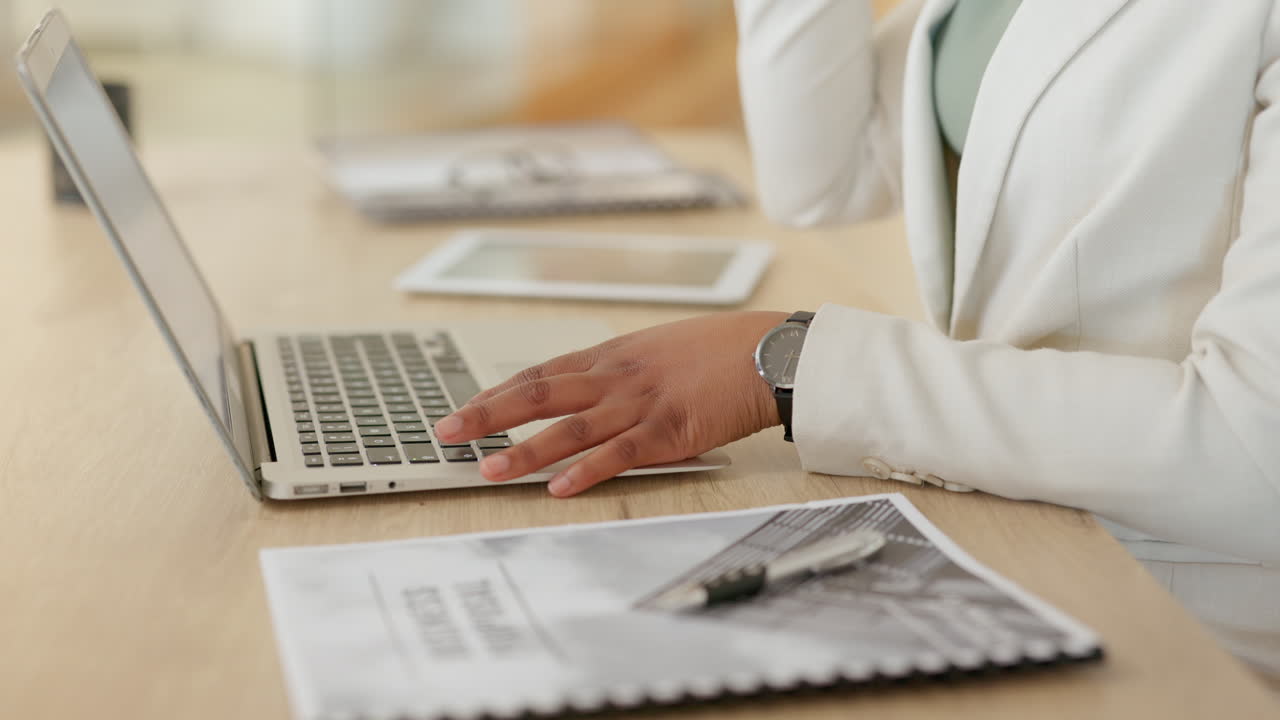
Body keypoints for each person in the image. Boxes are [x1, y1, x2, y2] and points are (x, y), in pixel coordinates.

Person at [435, 0, 1280, 679]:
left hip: (1190, 627)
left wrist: (787, 365)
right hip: (1014, 526)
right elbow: (820, 176)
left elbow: (1256, 450)